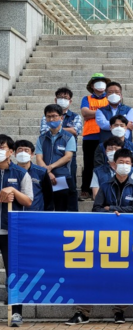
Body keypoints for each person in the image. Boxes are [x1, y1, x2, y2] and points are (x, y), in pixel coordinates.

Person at [66, 149, 133, 326]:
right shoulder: (105, 186)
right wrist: (110, 211)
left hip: (127, 238)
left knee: (123, 276)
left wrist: (112, 209)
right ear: (114, 164)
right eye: (121, 162)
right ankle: (82, 312)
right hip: (104, 236)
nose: (124, 166)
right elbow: (96, 208)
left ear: (132, 165)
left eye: (127, 163)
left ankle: (119, 311)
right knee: (92, 273)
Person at [0, 135, 33, 327]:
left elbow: (28, 201)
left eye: (2, 147)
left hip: (10, 231)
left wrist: (13, 191)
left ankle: (16, 313)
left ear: (11, 151)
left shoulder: (20, 173)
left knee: (14, 272)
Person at [40, 87, 82, 199]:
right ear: (55, 99)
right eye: (60, 97)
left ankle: (71, 202)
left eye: (65, 97)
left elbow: (75, 131)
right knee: (53, 184)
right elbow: (44, 131)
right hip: (49, 153)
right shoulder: (46, 116)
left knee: (70, 180)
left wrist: (57, 128)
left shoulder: (75, 116)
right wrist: (66, 129)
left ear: (70, 101)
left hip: (67, 153)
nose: (62, 99)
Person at [36, 104, 78, 212]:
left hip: (61, 177)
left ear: (61, 117)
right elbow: (39, 158)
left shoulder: (69, 137)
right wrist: (48, 172)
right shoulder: (41, 138)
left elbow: (68, 157)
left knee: (61, 208)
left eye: (54, 116)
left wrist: (50, 167)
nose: (51, 119)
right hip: (45, 177)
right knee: (47, 207)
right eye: (48, 116)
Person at [80, 73, 110, 199]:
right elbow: (84, 113)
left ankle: (101, 190)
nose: (100, 84)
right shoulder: (86, 98)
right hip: (90, 135)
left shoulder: (109, 98)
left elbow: (112, 113)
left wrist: (93, 113)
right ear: (92, 85)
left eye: (102, 81)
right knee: (88, 164)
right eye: (97, 81)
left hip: (106, 135)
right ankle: (85, 189)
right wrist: (103, 112)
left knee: (105, 163)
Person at [14, 140, 53, 211]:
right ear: (15, 154)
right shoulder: (11, 171)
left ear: (32, 155)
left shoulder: (41, 172)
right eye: (20, 150)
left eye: (26, 150)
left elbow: (48, 195)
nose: (23, 153)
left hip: (35, 211)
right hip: (16, 211)